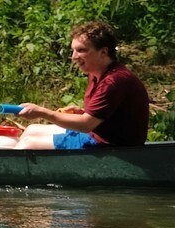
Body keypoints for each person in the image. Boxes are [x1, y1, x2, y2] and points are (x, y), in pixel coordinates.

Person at [14, 21, 150, 149]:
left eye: (81, 50)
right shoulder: (97, 73)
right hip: (96, 134)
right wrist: (82, 112)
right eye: (73, 50)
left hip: (111, 146)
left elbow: (85, 124)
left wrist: (41, 112)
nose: (74, 57)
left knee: (27, 144)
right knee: (32, 130)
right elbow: (105, 116)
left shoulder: (113, 81)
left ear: (103, 52)